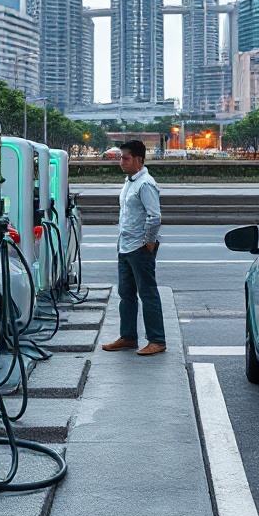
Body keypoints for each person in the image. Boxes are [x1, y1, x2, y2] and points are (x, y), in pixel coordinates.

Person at [102, 139, 165, 356]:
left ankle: (157, 339)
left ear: (139, 159)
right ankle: (128, 336)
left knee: (148, 294)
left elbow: (154, 216)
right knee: (126, 294)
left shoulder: (145, 183)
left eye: (125, 158)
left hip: (139, 247)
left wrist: (148, 241)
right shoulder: (130, 181)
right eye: (121, 157)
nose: (121, 162)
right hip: (126, 246)